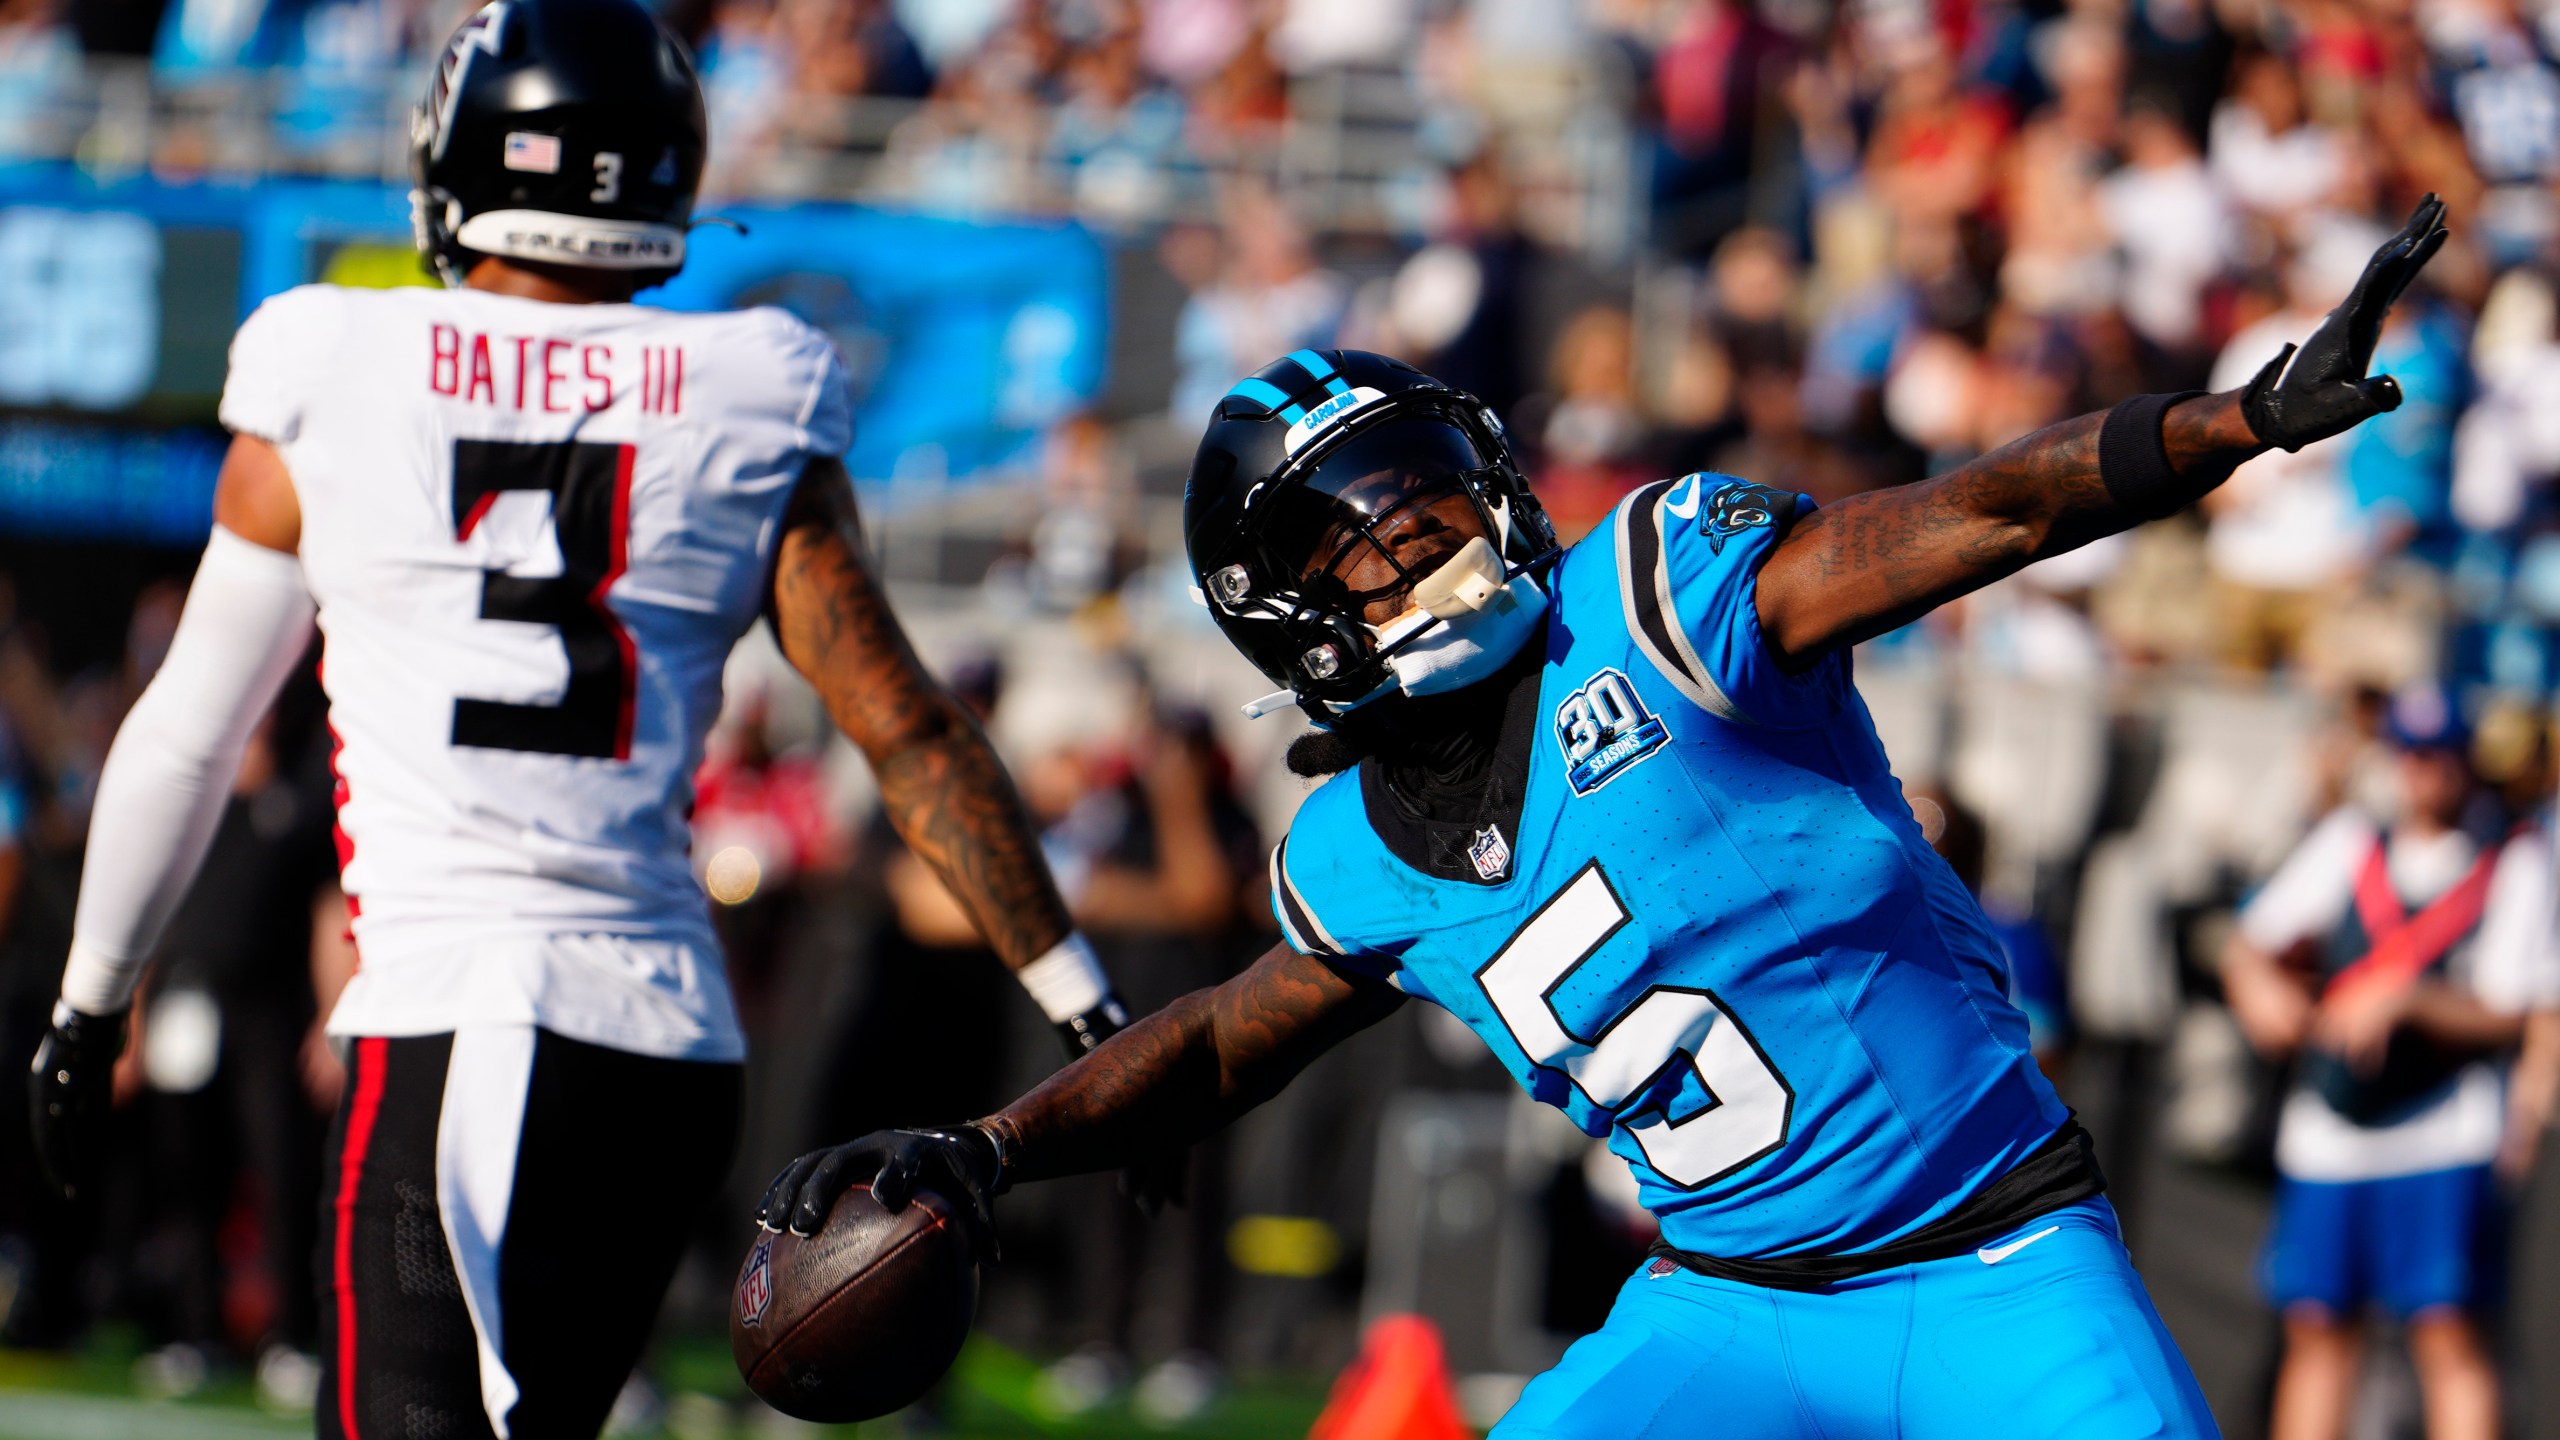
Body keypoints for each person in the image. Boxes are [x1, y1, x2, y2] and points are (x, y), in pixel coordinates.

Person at [761, 198, 2450, 1436]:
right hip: (1721, 1318)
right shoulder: (1356, 855)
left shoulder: (1658, 605)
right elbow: (1221, 1043)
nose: (1432, 539)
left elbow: (1979, 511)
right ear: (1293, 620)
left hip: (2000, 1260)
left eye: (1432, 496)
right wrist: (996, 1147)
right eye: (1372, 539)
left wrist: (2221, 427)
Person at [23, 1, 1129, 1435]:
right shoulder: (749, 389)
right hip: (664, 1044)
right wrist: (1081, 999)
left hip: (458, 1017)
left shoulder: (331, 363)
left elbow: (186, 731)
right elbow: (908, 732)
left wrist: (87, 997)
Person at [2221, 686, 2560, 1440]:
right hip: (2333, 1127)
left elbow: (2512, 1008)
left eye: (2440, 757)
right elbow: (2250, 940)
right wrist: (2260, 989)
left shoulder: (2510, 855)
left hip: (2443, 1127)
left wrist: (2408, 1000)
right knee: (2317, 1328)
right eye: (2412, 756)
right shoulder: (2352, 840)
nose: (2425, 774)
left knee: (2445, 1333)